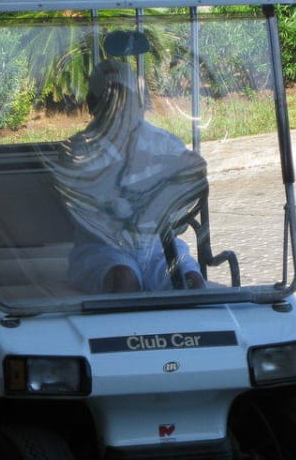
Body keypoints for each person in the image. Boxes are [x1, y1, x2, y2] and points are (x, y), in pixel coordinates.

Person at [56, 41, 207, 293]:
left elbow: (189, 184)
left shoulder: (164, 142)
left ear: (137, 102)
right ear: (93, 105)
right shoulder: (78, 150)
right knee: (124, 282)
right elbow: (87, 206)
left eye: (123, 97)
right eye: (108, 98)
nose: (117, 107)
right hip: (103, 249)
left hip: (159, 246)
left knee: (192, 284)